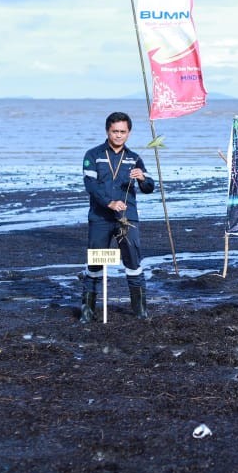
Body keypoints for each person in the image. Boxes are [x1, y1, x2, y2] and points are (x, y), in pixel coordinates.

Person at [81, 112, 156, 322]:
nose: (119, 136)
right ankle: (87, 311)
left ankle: (140, 311)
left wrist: (142, 178)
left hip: (127, 218)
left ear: (129, 133)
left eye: (123, 132)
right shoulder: (93, 155)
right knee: (95, 263)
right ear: (108, 131)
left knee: (133, 261)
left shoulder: (135, 158)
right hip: (100, 217)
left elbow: (150, 187)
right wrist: (109, 202)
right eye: (115, 131)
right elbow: (91, 186)